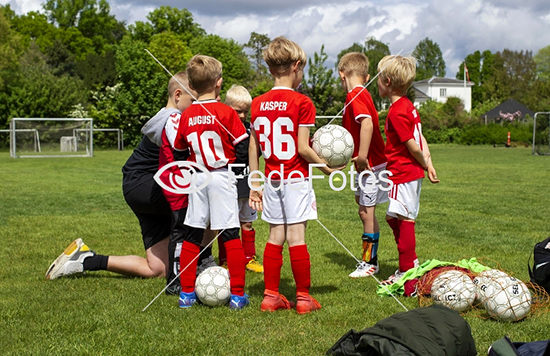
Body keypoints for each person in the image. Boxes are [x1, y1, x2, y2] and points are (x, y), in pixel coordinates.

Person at [44, 72, 206, 293]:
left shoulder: (171, 117)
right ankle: (205, 265)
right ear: (178, 94)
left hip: (140, 187)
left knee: (156, 268)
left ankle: (85, 259)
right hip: (146, 185)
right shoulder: (171, 119)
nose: (198, 108)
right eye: (194, 101)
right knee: (206, 194)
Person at [248, 36, 335, 314]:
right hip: (295, 178)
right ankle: (303, 298)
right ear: (296, 66)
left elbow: (254, 146)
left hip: (272, 179)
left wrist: (255, 181)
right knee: (297, 238)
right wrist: (326, 167)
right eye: (302, 70)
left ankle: (270, 296)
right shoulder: (302, 102)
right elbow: (302, 147)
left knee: (275, 237)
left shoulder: (257, 103)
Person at [173, 54, 250, 310]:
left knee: (192, 234)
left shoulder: (186, 115)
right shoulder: (227, 112)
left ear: (191, 86)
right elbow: (242, 145)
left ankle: (186, 294)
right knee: (229, 232)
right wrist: (236, 170)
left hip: (197, 178)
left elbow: (178, 152)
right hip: (220, 175)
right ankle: (238, 295)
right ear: (219, 83)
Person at [376, 54, 439, 285]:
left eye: (379, 78)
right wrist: (429, 164)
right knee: (393, 217)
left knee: (404, 219)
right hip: (405, 174)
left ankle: (407, 271)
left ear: (388, 81)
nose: (377, 83)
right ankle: (410, 263)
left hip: (403, 173)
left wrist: (424, 163)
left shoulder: (396, 112)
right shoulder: (407, 106)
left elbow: (413, 144)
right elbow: (420, 136)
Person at [338, 52, 388, 279]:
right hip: (371, 164)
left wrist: (362, 156)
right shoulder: (363, 93)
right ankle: (371, 259)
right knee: (364, 210)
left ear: (342, 74)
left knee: (366, 212)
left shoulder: (355, 95)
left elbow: (366, 124)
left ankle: (369, 262)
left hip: (371, 165)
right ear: (366, 75)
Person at [216, 84, 264, 273]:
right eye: (238, 111)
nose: (243, 116)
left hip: (246, 183)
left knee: (247, 222)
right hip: (227, 183)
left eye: (245, 112)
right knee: (227, 224)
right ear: (227, 108)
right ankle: (225, 259)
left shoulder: (248, 130)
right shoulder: (221, 130)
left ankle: (248, 258)